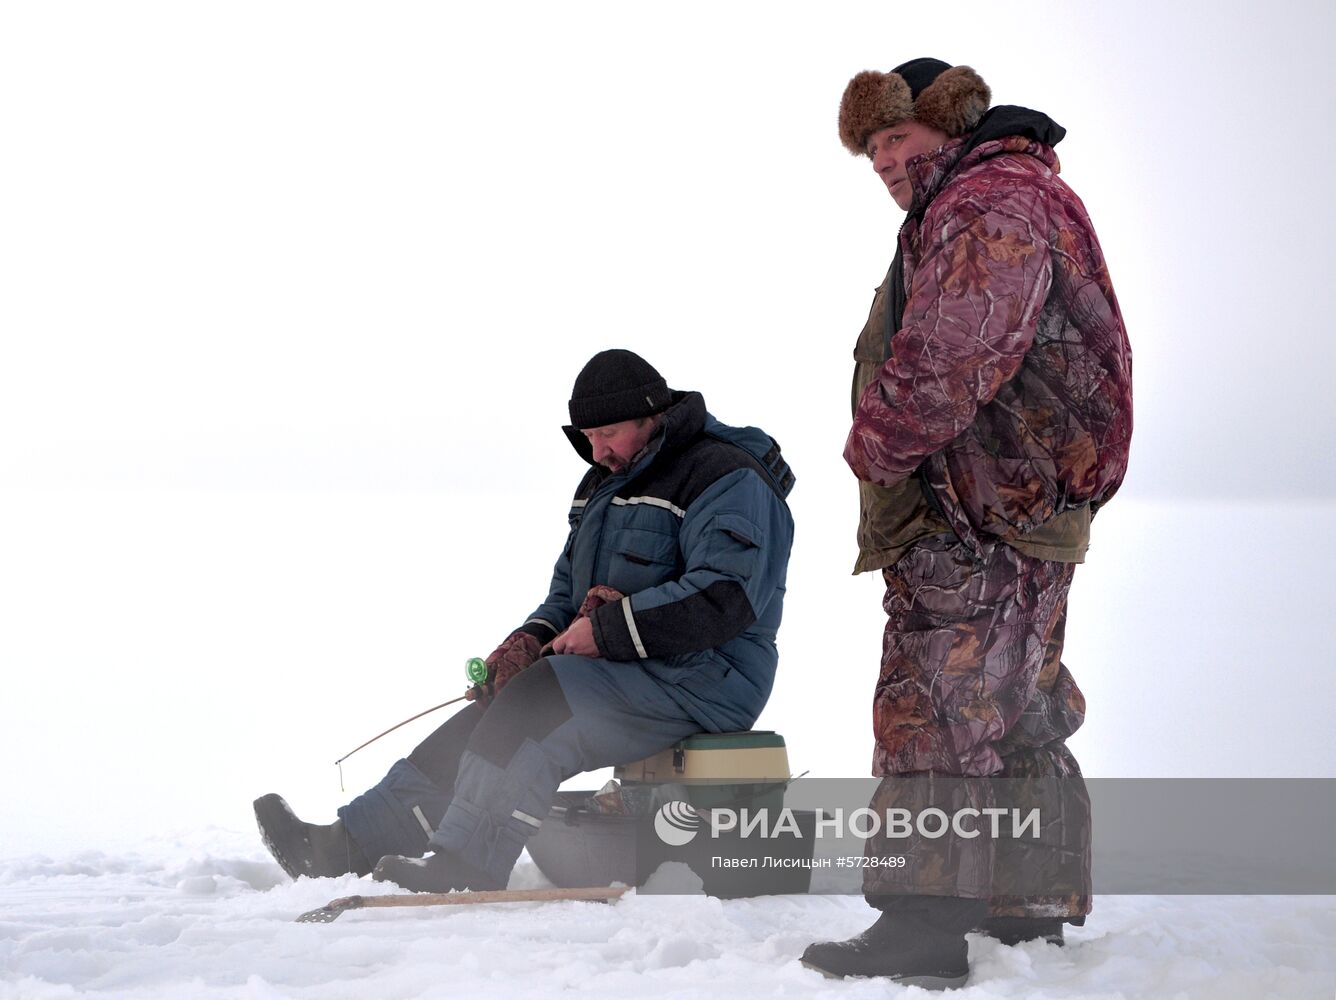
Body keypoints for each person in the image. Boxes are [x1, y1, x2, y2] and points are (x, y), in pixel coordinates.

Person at [799, 59, 1132, 988]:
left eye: (892, 140)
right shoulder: (1009, 192)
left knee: (934, 709)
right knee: (1016, 706)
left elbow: (956, 347)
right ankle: (1025, 907)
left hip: (976, 505)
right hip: (1024, 502)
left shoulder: (987, 200)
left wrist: (875, 444)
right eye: (869, 150)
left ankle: (922, 925)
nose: (880, 162)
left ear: (944, 126)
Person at [254, 349, 796, 894]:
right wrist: (530, 640)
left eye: (607, 432)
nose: (597, 450)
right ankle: (348, 844)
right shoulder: (603, 487)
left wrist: (606, 629)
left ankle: (467, 862)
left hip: (707, 677)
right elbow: (567, 595)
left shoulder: (726, 477)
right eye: (587, 437)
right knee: (501, 704)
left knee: (539, 703)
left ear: (652, 416)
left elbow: (724, 597)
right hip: (633, 669)